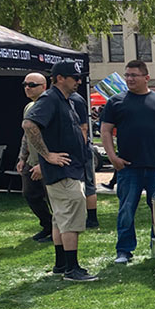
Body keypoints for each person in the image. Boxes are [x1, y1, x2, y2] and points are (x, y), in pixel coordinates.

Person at [101, 60, 155, 264]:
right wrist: (113, 157)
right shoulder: (115, 101)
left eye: (134, 75)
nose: (129, 79)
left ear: (146, 78)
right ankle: (124, 250)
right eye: (127, 75)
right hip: (128, 167)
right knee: (126, 210)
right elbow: (105, 130)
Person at [21, 61, 98, 281]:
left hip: (67, 169)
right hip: (62, 171)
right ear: (60, 78)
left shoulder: (65, 100)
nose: (79, 81)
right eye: (74, 77)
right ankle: (72, 269)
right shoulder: (50, 99)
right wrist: (47, 156)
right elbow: (29, 125)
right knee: (70, 219)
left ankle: (61, 264)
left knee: (60, 219)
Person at [16, 72, 53, 242]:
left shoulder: (50, 106)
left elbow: (52, 138)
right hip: (31, 162)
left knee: (54, 199)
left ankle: (58, 233)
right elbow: (27, 135)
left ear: (44, 87)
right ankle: (47, 225)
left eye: (32, 85)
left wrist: (43, 164)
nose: (27, 88)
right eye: (25, 84)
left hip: (49, 163)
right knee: (30, 194)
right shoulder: (29, 107)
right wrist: (22, 158)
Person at [70, 91, 99, 228]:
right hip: (76, 149)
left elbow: (83, 128)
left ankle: (92, 219)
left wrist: (80, 149)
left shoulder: (75, 99)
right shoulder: (72, 99)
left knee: (88, 184)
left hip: (82, 150)